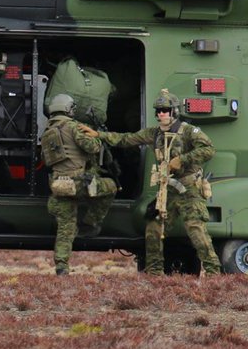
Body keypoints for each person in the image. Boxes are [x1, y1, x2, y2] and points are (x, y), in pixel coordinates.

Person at [96, 89, 221, 276]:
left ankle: (213, 272)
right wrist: (98, 135)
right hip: (167, 189)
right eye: (158, 111)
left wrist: (183, 159)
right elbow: (125, 139)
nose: (161, 114)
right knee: (153, 228)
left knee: (196, 230)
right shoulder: (154, 134)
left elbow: (209, 149)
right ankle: (154, 272)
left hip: (189, 189)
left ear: (174, 112)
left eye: (165, 110)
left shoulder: (188, 131)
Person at [40, 93, 124, 276]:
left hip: (59, 187)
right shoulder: (74, 127)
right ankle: (90, 224)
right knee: (110, 186)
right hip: (79, 184)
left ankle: (62, 266)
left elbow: (45, 160)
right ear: (69, 109)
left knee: (66, 227)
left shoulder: (47, 133)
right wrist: (96, 136)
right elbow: (93, 147)